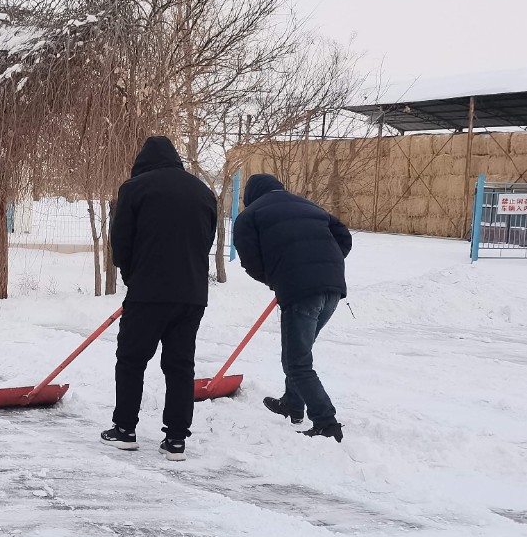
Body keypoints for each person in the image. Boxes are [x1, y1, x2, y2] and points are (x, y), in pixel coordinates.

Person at [102, 136, 218, 461]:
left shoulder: (135, 189)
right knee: (180, 366)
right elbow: (206, 238)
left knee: (131, 360)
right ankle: (176, 440)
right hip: (192, 296)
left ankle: (124, 429)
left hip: (148, 293)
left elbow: (121, 241)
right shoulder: (203, 191)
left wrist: (132, 277)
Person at [232, 173, 351, 442]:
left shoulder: (250, 216)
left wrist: (278, 277)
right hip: (332, 288)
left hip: (301, 291)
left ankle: (325, 422)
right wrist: (324, 265)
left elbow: (250, 261)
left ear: (250, 196)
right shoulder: (309, 206)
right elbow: (343, 236)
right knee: (301, 352)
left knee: (296, 361)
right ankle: (293, 404)